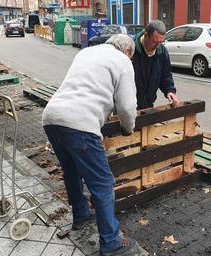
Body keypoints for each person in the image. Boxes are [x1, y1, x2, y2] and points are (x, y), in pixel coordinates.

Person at [42, 34, 140, 256]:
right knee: (103, 182)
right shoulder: (123, 61)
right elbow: (126, 106)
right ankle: (111, 243)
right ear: (127, 52)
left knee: (72, 172)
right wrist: (127, 128)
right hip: (80, 123)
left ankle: (81, 215)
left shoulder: (86, 52)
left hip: (51, 117)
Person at [132, 20, 179, 110]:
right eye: (154, 41)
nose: (158, 46)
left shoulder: (162, 52)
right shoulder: (131, 50)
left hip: (148, 106)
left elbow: (166, 76)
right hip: (129, 107)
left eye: (161, 42)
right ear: (146, 35)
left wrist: (170, 91)